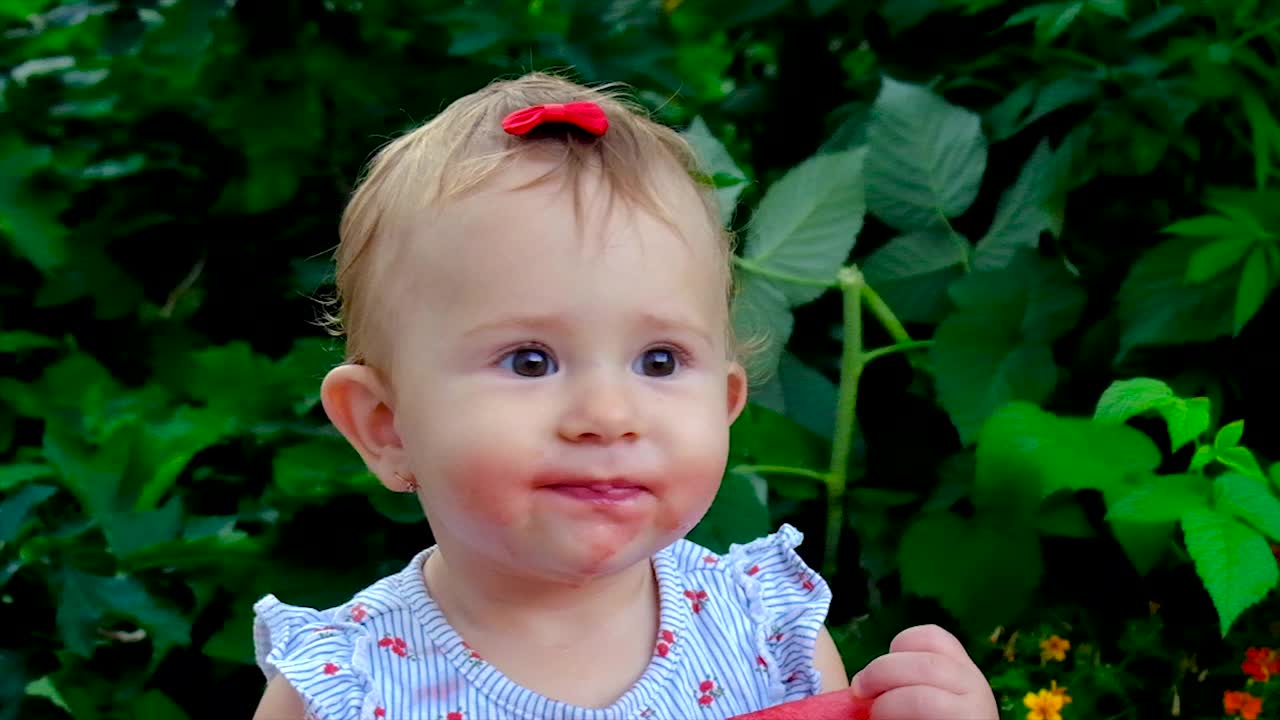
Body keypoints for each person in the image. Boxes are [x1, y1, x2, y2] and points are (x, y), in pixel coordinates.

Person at [250, 71, 997, 720]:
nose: (609, 416)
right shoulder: (345, 687)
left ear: (727, 402)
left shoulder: (764, 632)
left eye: (661, 360)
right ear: (387, 427)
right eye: (531, 360)